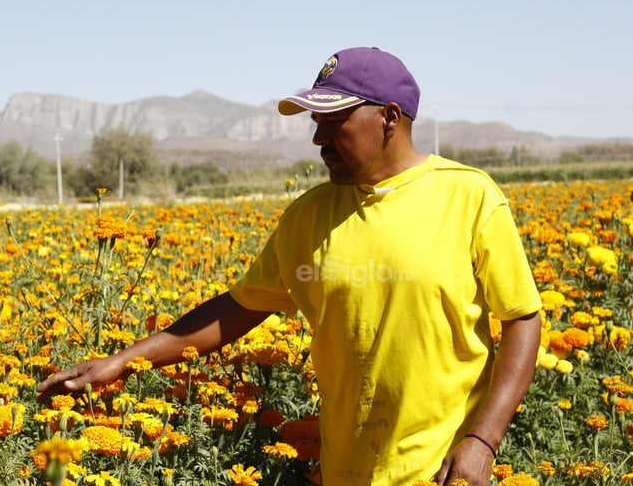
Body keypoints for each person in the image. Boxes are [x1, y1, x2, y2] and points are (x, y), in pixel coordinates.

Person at [37, 47, 543, 486]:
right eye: (315, 122)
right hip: (347, 470)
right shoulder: (308, 216)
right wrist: (121, 361)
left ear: (390, 118)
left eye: (334, 121)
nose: (318, 139)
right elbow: (237, 310)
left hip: (443, 469)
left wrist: (482, 438)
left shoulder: (468, 197)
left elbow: (522, 317)